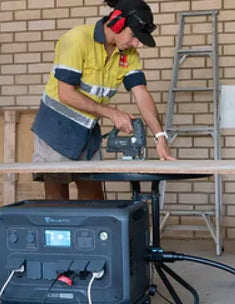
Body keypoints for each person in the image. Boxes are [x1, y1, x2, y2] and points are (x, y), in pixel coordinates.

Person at [30, 0, 176, 200]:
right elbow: (66, 94)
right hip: (55, 128)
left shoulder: (128, 53)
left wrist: (160, 136)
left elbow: (141, 94)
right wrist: (113, 113)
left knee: (94, 199)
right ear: (116, 22)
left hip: (88, 131)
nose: (137, 43)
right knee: (57, 203)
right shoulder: (77, 39)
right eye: (134, 36)